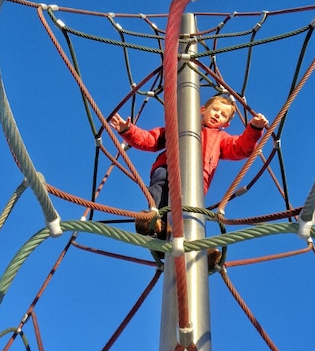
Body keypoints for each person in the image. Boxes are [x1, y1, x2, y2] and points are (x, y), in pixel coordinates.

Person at [110, 95, 268, 267]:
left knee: (190, 211)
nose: (217, 115)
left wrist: (254, 128)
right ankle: (153, 220)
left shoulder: (221, 139)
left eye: (223, 115)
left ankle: (198, 247)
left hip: (196, 178)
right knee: (160, 190)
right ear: (202, 110)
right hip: (167, 167)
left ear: (226, 124)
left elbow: (240, 147)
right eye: (215, 109)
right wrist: (128, 130)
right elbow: (152, 139)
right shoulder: (180, 127)